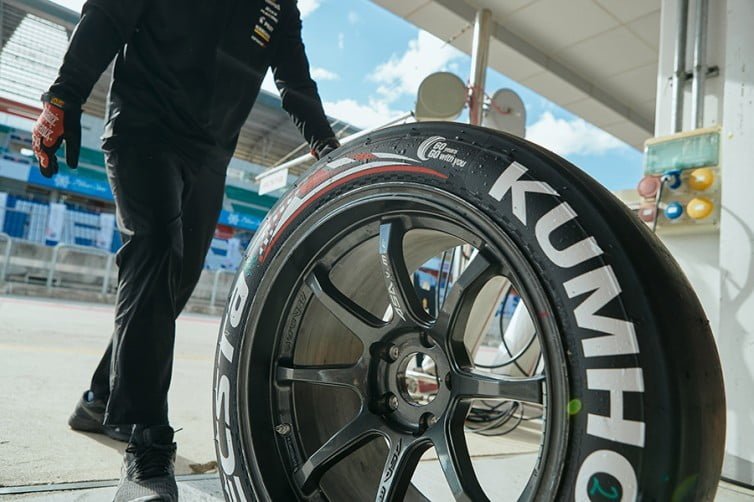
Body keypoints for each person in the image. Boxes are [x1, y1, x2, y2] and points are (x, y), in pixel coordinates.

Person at [31, 1, 340, 500]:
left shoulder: (279, 5)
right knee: (154, 251)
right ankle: (147, 447)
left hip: (211, 154)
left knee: (176, 282)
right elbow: (108, 14)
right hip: (143, 125)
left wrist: (329, 150)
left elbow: (295, 80)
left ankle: (100, 398)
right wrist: (63, 97)